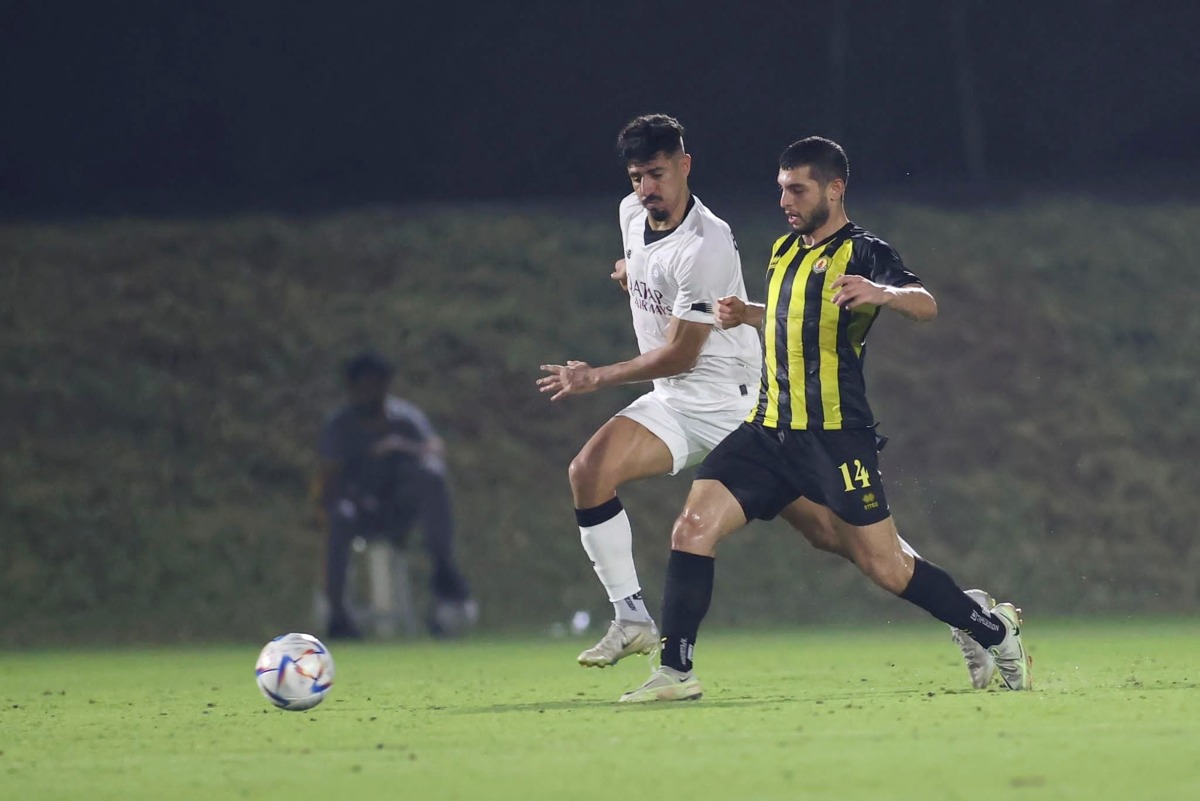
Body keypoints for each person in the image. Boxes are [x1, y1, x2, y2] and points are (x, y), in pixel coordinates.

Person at [618, 136, 1031, 703]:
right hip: (766, 430)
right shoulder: (785, 249)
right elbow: (797, 316)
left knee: (885, 566)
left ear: (835, 189)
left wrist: (879, 292)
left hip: (835, 439)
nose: (786, 200)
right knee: (692, 527)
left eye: (798, 189)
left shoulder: (863, 250)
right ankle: (676, 671)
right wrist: (749, 314)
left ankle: (990, 628)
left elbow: (926, 303)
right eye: (781, 188)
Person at [538, 113, 873, 672]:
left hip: (735, 403)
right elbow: (649, 267)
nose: (648, 189)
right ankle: (632, 618)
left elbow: (681, 352)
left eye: (658, 174)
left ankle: (962, 609)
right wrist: (633, 270)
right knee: (588, 471)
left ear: (685, 166)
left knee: (831, 531)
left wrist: (595, 376)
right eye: (637, 176)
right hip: (674, 401)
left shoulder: (706, 244)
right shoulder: (632, 214)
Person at [313, 351, 476, 639]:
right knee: (339, 515)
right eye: (363, 387)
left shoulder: (403, 418)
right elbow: (327, 480)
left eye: (376, 385)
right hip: (357, 511)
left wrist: (400, 446)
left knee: (432, 476)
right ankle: (338, 611)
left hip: (399, 510)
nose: (370, 393)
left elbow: (436, 450)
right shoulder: (340, 426)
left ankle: (446, 584)